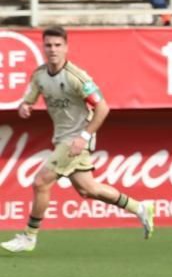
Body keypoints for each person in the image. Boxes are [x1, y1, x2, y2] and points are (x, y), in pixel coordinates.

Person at [2, 27, 156, 254]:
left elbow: (102, 108)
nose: (53, 50)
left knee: (41, 182)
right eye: (48, 45)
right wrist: (25, 106)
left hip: (76, 139)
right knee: (88, 189)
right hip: (62, 139)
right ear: (43, 47)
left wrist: (84, 136)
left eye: (57, 45)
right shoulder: (39, 76)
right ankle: (140, 207)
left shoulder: (77, 77)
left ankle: (29, 236)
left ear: (66, 47)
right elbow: (29, 99)